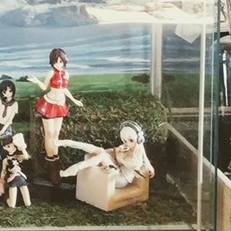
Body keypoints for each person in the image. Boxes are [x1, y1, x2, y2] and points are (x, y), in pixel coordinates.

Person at [28, 48, 84, 183]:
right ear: (52, 62)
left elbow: (64, 89)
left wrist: (74, 100)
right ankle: (51, 165)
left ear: (64, 61)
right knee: (49, 133)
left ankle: (56, 164)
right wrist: (37, 81)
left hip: (60, 105)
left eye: (61, 61)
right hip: (49, 104)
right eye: (55, 61)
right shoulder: (51, 73)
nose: (58, 64)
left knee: (56, 134)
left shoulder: (66, 74)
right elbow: (44, 87)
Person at [59, 121, 154, 188]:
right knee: (100, 151)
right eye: (125, 140)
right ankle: (67, 143)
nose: (127, 143)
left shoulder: (138, 155)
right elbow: (115, 157)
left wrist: (119, 156)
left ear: (138, 140)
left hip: (121, 179)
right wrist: (117, 151)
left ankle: (75, 168)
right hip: (117, 169)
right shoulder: (127, 147)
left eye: (131, 140)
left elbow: (130, 165)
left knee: (102, 155)